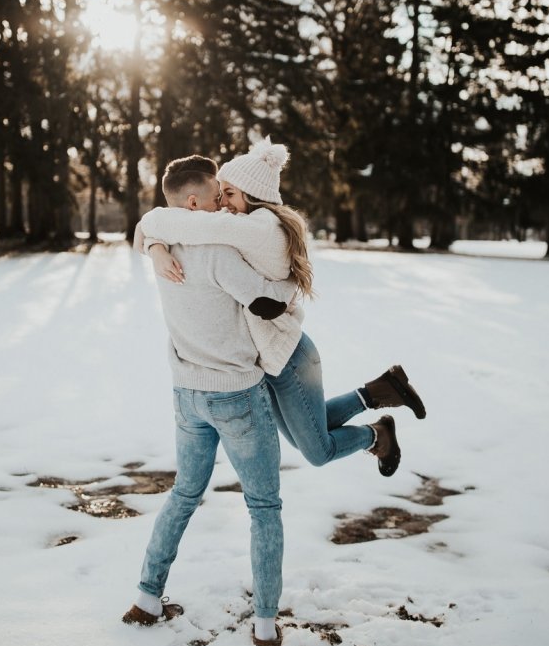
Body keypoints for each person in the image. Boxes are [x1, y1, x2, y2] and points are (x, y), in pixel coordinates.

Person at [138, 139, 426, 479]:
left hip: (288, 356)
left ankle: (377, 435)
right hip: (271, 358)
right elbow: (170, 225)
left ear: (250, 193)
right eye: (221, 194)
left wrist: (151, 236)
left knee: (318, 450)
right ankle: (380, 390)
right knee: (305, 434)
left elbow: (173, 223)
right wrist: (155, 246)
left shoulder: (258, 227)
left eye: (228, 194)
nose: (222, 204)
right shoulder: (251, 223)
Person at [123, 156, 296, 646]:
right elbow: (266, 303)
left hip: (186, 394)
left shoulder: (163, 250)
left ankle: (146, 598)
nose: (226, 203)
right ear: (194, 202)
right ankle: (265, 625)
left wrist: (154, 244)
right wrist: (295, 285)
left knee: (183, 494)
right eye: (218, 196)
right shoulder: (217, 252)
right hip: (236, 394)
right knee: (264, 506)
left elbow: (150, 229)